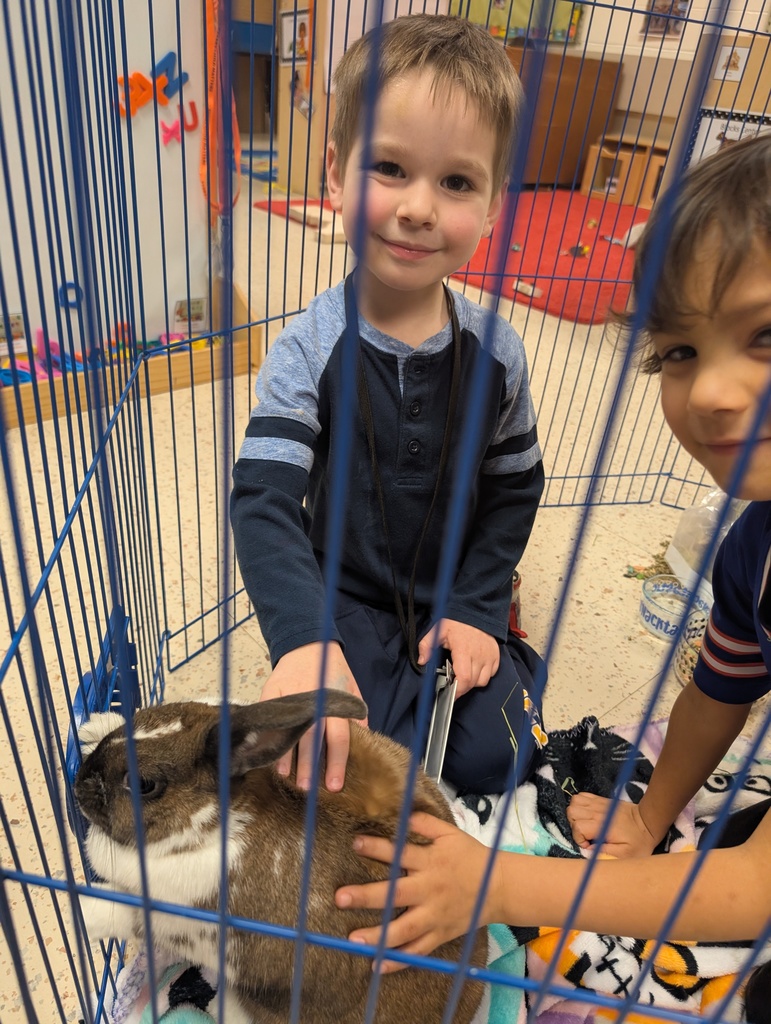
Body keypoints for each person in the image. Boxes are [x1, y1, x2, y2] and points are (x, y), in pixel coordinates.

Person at [333, 135, 771, 979]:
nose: (710, 393)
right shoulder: (751, 545)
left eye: (763, 334)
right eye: (678, 352)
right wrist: (650, 819)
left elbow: (758, 884)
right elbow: (718, 689)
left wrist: (502, 886)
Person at [231, 14, 546, 796]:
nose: (418, 208)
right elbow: (263, 499)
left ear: (494, 204)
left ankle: (502, 640)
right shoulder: (309, 345)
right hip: (344, 594)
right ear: (335, 175)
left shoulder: (497, 352)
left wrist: (476, 607)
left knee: (497, 756)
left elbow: (514, 490)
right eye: (390, 168)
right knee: (318, 755)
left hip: (454, 596)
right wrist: (304, 639)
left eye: (456, 182)